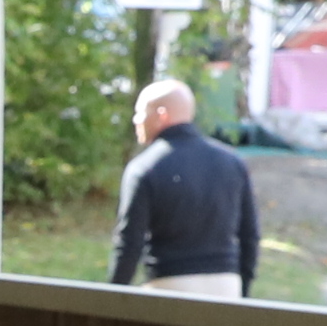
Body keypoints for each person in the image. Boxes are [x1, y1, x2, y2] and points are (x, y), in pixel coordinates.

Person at [108, 76, 258, 298]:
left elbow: (129, 243)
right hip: (227, 286)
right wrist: (242, 291)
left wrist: (113, 297)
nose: (136, 119)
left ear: (161, 115)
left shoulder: (144, 167)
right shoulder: (232, 162)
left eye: (140, 111)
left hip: (168, 285)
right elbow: (249, 235)